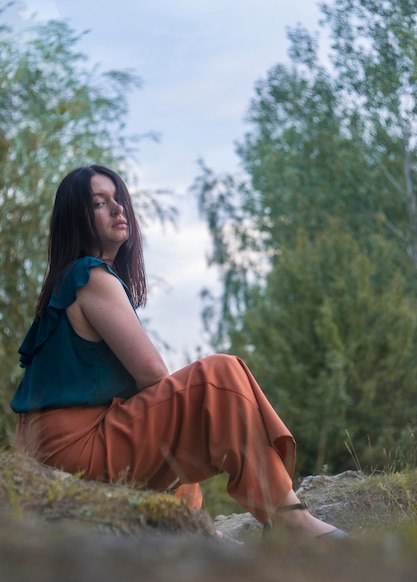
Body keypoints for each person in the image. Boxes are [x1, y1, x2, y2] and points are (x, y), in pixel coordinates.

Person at [11, 164, 347, 540]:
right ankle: (291, 520)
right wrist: (188, 417)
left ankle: (197, 530)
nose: (118, 209)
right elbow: (152, 373)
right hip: (76, 446)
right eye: (99, 203)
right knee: (220, 374)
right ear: (76, 218)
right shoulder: (90, 277)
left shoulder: (72, 280)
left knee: (179, 441)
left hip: (57, 444)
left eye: (119, 199)